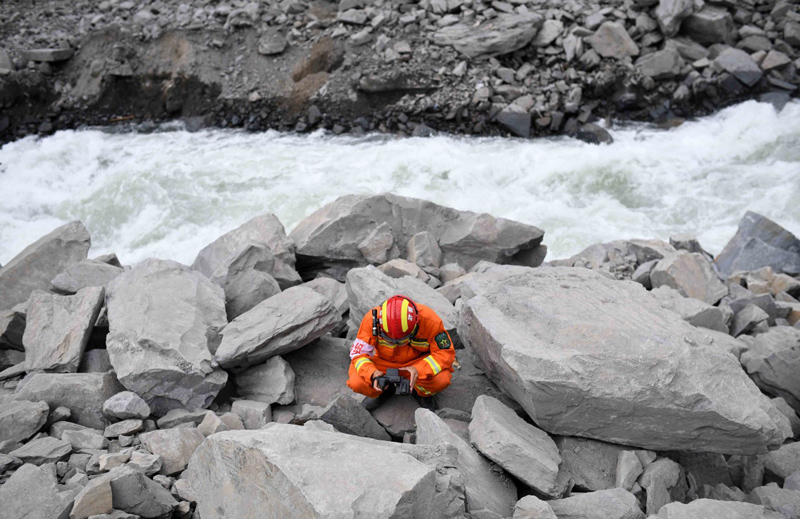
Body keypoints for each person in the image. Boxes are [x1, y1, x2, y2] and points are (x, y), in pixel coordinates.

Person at [347, 295, 455, 407]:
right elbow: (358, 354)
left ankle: (423, 393)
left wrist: (419, 369)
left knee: (441, 380)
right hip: (384, 364)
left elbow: (445, 352)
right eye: (390, 340)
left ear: (415, 326)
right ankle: (382, 390)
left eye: (401, 340)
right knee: (357, 382)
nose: (395, 343)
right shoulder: (371, 320)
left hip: (417, 362)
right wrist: (373, 373)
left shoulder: (430, 321)